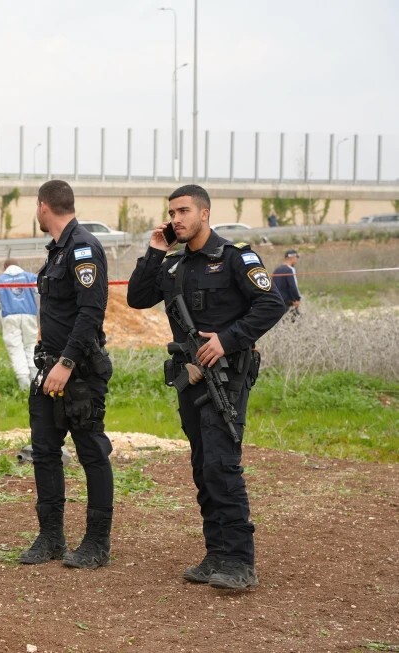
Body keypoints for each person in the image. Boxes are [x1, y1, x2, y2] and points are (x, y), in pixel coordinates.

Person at [126, 184, 284, 590]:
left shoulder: (235, 258)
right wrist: (155, 250)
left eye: (183, 211)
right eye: (171, 213)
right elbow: (137, 298)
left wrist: (226, 340)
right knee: (202, 466)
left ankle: (239, 561)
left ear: (204, 213)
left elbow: (272, 303)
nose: (176, 219)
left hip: (226, 377)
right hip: (190, 378)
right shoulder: (173, 264)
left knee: (221, 464)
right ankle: (216, 554)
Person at [20, 179, 116, 571]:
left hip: (77, 372)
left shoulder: (83, 247)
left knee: (91, 451)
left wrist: (67, 362)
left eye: (36, 206)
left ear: (43, 206)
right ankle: (51, 537)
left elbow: (91, 312)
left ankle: (96, 542)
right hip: (50, 369)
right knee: (44, 451)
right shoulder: (57, 251)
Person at [0, 258, 39, 391]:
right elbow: (40, 290)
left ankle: (24, 385)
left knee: (15, 348)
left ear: (5, 267)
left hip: (10, 315)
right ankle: (36, 380)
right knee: (31, 345)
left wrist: (4, 305)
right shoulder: (30, 277)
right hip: (29, 314)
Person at [272, 249, 302, 313]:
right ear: (292, 257)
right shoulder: (290, 269)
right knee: (296, 318)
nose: (297, 260)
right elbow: (293, 286)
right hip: (288, 303)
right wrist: (297, 299)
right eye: (296, 257)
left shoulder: (276, 270)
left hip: (277, 301)